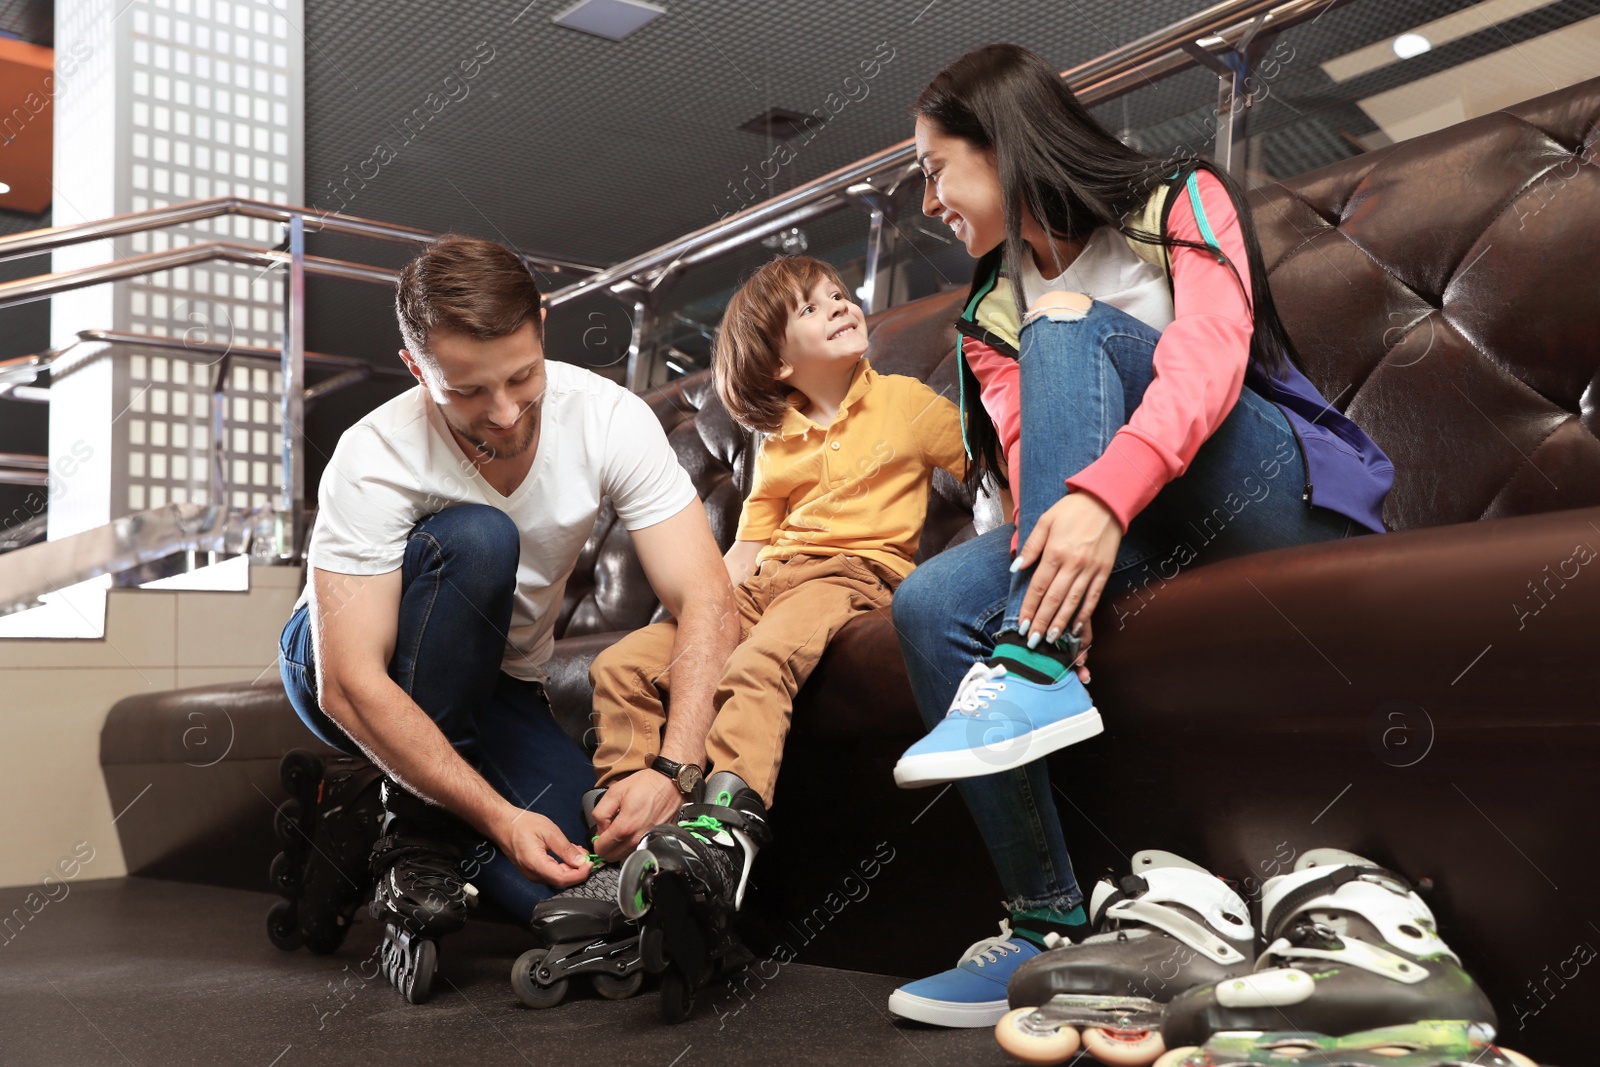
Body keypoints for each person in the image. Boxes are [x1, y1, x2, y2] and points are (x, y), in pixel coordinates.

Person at [885, 44, 1394, 1027]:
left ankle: (1037, 661)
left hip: (1263, 493)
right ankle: (1049, 926)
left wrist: (1104, 497)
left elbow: (1209, 361)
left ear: (1001, 143)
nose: (928, 200)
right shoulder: (990, 308)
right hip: (1133, 530)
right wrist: (1067, 533)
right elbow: (1034, 456)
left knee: (1069, 322)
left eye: (933, 167)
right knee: (931, 603)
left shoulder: (1176, 197)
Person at [276, 235, 739, 1001]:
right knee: (480, 539)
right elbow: (349, 682)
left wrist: (671, 766)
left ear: (543, 325)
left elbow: (707, 598)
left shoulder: (607, 418)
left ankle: (365, 808)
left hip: (493, 682)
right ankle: (418, 817)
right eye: (465, 390)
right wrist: (495, 816)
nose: (503, 412)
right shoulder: (373, 454)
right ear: (415, 367)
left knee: (596, 885)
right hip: (340, 666)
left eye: (522, 376)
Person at [579, 255, 966, 998]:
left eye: (839, 295)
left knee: (755, 667)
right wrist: (697, 631)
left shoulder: (907, 404)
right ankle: (631, 841)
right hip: (766, 585)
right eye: (816, 307)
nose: (842, 305)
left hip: (851, 576)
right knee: (623, 663)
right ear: (782, 361)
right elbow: (744, 554)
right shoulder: (780, 439)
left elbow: (991, 456)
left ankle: (722, 832)